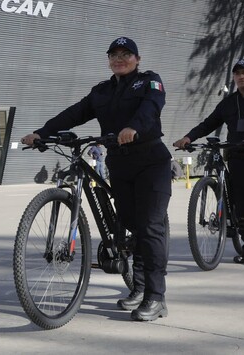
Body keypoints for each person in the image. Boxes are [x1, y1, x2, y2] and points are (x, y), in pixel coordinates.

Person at [21, 36, 172, 322]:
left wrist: (132, 128)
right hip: (120, 162)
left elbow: (150, 109)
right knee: (130, 225)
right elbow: (75, 114)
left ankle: (156, 296)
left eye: (126, 54)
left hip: (151, 161)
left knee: (149, 227)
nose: (119, 59)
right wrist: (42, 132)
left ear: (137, 60)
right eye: (114, 55)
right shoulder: (101, 91)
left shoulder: (150, 81)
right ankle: (139, 289)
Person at [173, 59, 244, 266]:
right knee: (242, 205)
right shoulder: (228, 103)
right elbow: (209, 123)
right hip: (237, 158)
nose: (241, 76)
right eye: (237, 73)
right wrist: (188, 137)